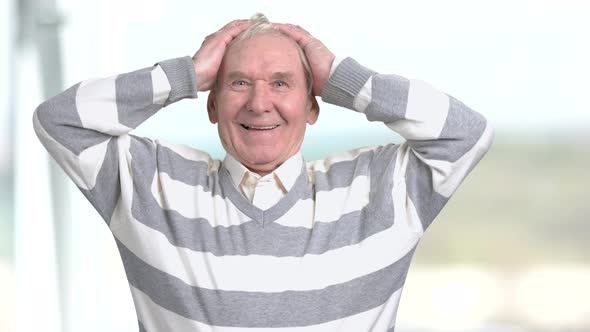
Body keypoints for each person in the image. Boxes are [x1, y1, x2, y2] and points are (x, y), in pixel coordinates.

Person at [33, 13, 494, 332]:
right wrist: (186, 74)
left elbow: (466, 134)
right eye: (238, 83)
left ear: (313, 106)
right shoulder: (150, 182)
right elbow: (60, 120)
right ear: (212, 105)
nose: (259, 102)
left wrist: (341, 76)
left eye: (281, 83)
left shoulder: (380, 188)